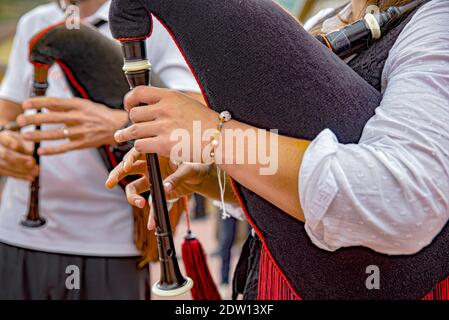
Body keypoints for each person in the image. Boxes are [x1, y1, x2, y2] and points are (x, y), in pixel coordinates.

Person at [106, 0, 449, 299]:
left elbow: (398, 199)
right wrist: (208, 177)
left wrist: (215, 136)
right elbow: (293, 180)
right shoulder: (325, 22)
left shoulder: (437, 26)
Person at [0, 0, 200, 299]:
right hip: (19, 234)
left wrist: (118, 126)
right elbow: (8, 111)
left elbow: (194, 118)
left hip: (110, 242)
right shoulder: (34, 21)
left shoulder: (151, 21)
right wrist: (5, 143)